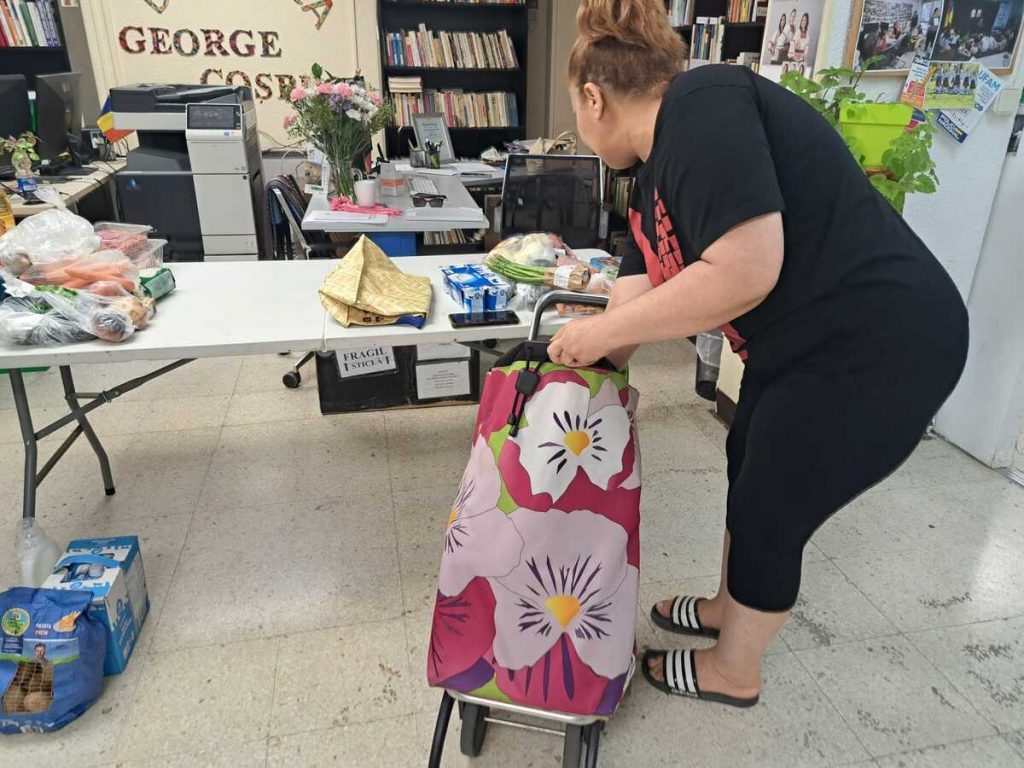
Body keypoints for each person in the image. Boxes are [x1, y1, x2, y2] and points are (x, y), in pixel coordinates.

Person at [552, 0, 968, 708]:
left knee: (774, 499)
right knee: (747, 462)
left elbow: (747, 269)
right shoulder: (652, 176)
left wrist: (594, 338)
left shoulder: (703, 106)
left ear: (593, 98)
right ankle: (728, 607)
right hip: (803, 344)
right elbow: (632, 300)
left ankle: (734, 670)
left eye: (574, 110)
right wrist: (580, 368)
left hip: (879, 339)